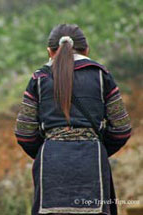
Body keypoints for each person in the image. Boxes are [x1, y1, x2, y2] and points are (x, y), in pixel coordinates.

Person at [15, 24, 131, 215]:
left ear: (49, 52)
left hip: (51, 163)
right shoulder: (102, 76)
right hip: (92, 159)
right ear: (86, 50)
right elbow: (122, 128)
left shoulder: (39, 78)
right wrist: (98, 148)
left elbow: (24, 133)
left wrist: (49, 150)